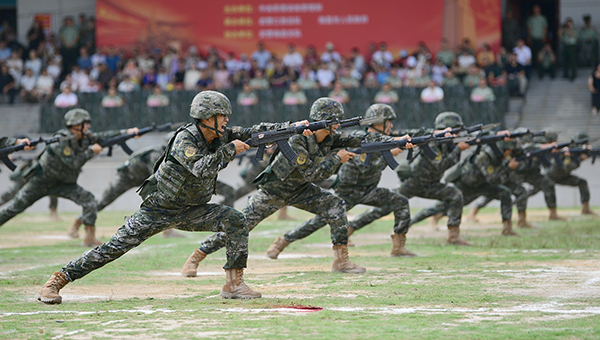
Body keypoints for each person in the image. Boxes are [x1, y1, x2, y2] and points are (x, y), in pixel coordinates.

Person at [37, 91, 297, 304]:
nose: (227, 121)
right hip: (159, 209)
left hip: (193, 209)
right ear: (207, 117)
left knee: (235, 220)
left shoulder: (220, 134)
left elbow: (255, 131)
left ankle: (233, 284)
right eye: (222, 116)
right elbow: (201, 167)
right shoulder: (186, 139)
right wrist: (230, 150)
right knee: (114, 248)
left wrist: (292, 129)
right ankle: (58, 280)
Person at [180, 98, 370, 277]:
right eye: (336, 121)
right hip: (274, 191)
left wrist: (391, 139)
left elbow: (356, 138)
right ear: (325, 121)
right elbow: (313, 174)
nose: (339, 124)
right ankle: (197, 257)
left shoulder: (329, 137)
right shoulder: (298, 140)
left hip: (300, 190)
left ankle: (341, 261)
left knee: (335, 205)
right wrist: (338, 159)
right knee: (240, 226)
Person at [265, 104, 416, 259]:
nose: (391, 126)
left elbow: (404, 137)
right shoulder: (357, 138)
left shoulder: (384, 139)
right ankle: (282, 242)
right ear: (378, 122)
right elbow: (363, 166)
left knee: (400, 202)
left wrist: (399, 144)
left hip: (369, 189)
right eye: (388, 122)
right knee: (318, 221)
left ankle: (398, 246)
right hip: (348, 191)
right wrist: (387, 153)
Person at [0, 109, 139, 247]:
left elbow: (103, 136)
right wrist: (91, 151)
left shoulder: (83, 137)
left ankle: (89, 237)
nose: (89, 126)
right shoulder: (61, 141)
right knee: (14, 208)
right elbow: (73, 163)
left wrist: (126, 133)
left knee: (89, 200)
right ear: (77, 125)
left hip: (63, 183)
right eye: (86, 123)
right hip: (41, 181)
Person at [354, 112, 472, 245]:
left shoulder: (447, 144)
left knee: (455, 195)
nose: (456, 135)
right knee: (384, 208)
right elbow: (439, 165)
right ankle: (352, 227)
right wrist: (457, 150)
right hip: (413, 182)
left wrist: (456, 149)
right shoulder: (433, 143)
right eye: (454, 130)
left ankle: (454, 236)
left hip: (431, 184)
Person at [67, 137, 183, 239]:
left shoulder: (166, 156)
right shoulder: (156, 155)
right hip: (126, 177)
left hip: (142, 178)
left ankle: (168, 231)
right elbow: (158, 178)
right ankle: (77, 223)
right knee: (103, 201)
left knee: (163, 201)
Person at [410, 138, 520, 237]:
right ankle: (411, 222)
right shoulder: (484, 157)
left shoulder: (499, 158)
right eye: (510, 151)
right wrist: (508, 168)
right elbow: (493, 179)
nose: (511, 154)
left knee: (505, 193)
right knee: (441, 207)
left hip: (481, 185)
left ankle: (507, 228)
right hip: (465, 185)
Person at [527, 131, 597, 216]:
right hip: (551, 175)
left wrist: (580, 158)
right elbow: (561, 167)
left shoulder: (575, 154)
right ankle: (552, 214)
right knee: (531, 191)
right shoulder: (563, 150)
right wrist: (569, 157)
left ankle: (586, 209)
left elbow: (568, 168)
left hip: (563, 176)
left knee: (582, 182)